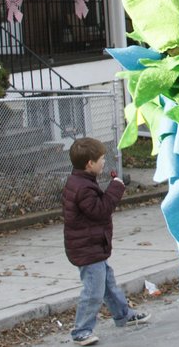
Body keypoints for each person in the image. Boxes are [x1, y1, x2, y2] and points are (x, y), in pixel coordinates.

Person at [63, 138, 151, 345]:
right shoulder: (84, 188)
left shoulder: (80, 181)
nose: (104, 162)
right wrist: (116, 188)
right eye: (101, 159)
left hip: (92, 245)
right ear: (89, 164)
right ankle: (81, 330)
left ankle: (123, 315)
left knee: (107, 283)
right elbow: (100, 210)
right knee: (93, 290)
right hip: (88, 248)